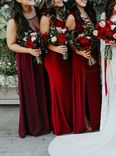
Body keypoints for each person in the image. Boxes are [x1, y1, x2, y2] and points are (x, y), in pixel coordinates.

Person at [48, 0, 116, 155]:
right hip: (104, 61)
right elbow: (94, 37)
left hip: (114, 61)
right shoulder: (103, 15)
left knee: (114, 90)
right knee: (105, 90)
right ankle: (106, 126)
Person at [6, 0, 51, 138]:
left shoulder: (39, 11)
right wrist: (28, 50)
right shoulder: (14, 21)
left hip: (42, 55)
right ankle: (34, 126)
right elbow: (11, 44)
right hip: (26, 58)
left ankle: (48, 122)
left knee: (44, 88)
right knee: (32, 90)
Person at [66, 0, 101, 133]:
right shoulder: (71, 17)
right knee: (83, 88)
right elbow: (68, 39)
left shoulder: (90, 13)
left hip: (93, 56)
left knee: (93, 88)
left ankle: (96, 119)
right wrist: (79, 51)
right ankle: (84, 120)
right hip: (81, 58)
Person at [40, 0, 73, 135]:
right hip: (53, 59)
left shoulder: (68, 14)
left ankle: (70, 122)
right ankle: (61, 126)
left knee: (67, 90)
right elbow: (42, 41)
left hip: (66, 58)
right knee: (58, 91)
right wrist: (55, 48)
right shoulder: (46, 17)